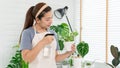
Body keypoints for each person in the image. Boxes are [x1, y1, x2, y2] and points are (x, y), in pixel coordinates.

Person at [19, 2, 75, 68]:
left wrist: (69, 53)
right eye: (47, 19)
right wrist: (43, 42)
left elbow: (55, 58)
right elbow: (27, 59)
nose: (51, 21)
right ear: (37, 20)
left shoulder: (53, 33)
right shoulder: (28, 33)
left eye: (51, 18)